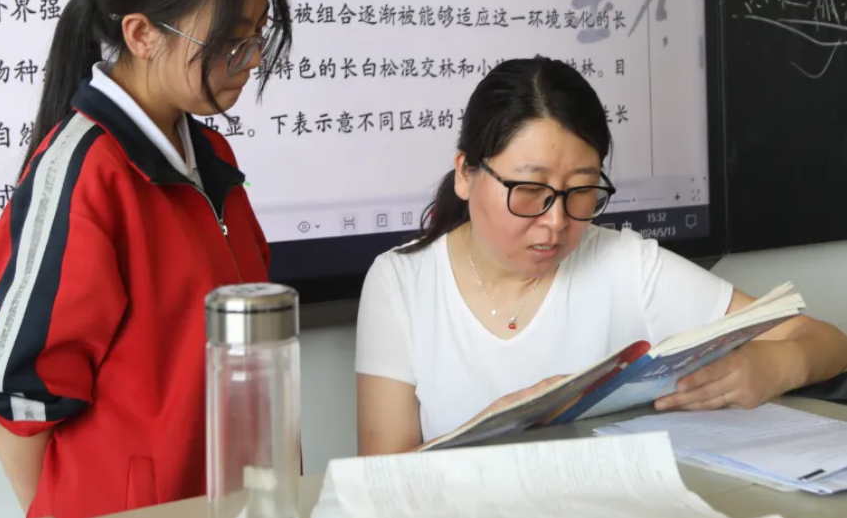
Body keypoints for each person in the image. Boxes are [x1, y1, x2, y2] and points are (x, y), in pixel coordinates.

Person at [0, 0, 292, 517]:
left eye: (257, 34)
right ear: (141, 34)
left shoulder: (210, 155)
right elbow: (17, 398)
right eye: (231, 41)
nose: (253, 59)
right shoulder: (85, 173)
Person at [355, 56, 847, 455]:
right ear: (466, 173)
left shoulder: (626, 265)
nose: (556, 221)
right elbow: (380, 475)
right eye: (529, 190)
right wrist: (494, 427)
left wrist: (778, 364)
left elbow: (825, 340)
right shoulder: (401, 282)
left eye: (582, 191)